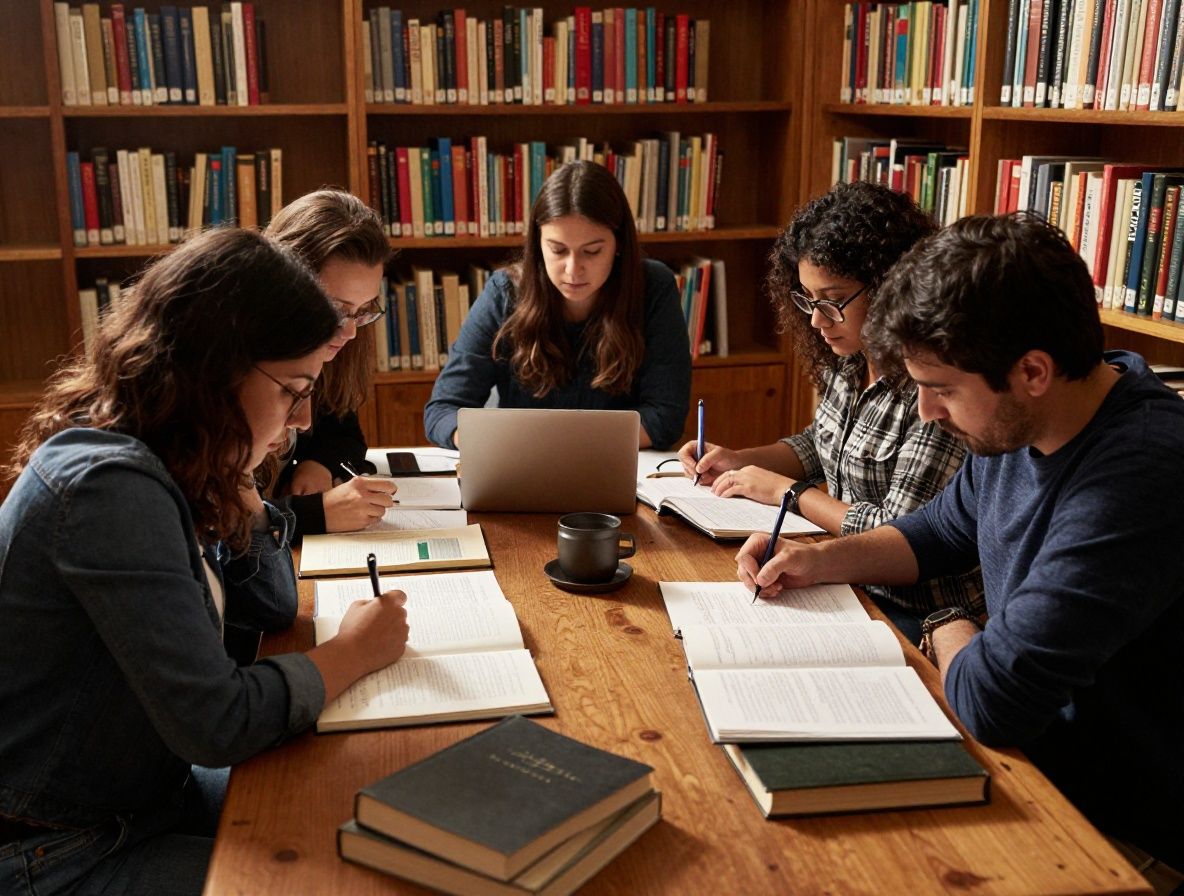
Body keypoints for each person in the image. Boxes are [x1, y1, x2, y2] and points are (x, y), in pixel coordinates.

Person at [736, 212, 1184, 871]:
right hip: (1031, 769)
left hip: (1113, 828)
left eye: (940, 390)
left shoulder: (1140, 474)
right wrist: (817, 560)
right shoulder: (1030, 415)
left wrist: (949, 621)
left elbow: (993, 699)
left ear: (1033, 370)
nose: (926, 413)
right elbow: (942, 529)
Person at [0, 228, 410, 895]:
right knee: (353, 881)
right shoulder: (111, 487)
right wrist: (354, 652)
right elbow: (216, 724)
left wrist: (242, 478)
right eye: (292, 389)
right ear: (218, 371)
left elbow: (273, 605)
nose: (302, 418)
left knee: (373, 810)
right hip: (58, 851)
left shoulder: (171, 457)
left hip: (142, 801)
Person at [680, 181, 982, 640]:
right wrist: (743, 461)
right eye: (808, 300)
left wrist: (788, 492)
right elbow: (820, 444)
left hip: (920, 615)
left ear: (887, 285)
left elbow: (896, 531)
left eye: (833, 301)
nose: (817, 320)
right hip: (849, 586)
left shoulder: (936, 386)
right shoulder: (849, 359)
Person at [423, 160, 691, 450]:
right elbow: (442, 410)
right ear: (538, 244)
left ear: (619, 245)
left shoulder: (653, 287)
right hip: (521, 467)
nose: (573, 270)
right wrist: (487, 444)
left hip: (618, 472)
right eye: (558, 250)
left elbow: (665, 417)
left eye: (592, 251)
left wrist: (561, 446)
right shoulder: (505, 292)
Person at [264, 188, 396, 536]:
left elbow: (343, 431)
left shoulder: (328, 345)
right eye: (336, 309)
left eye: (362, 310)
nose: (351, 331)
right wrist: (313, 514)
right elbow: (215, 525)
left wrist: (319, 463)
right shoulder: (242, 367)